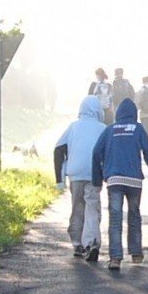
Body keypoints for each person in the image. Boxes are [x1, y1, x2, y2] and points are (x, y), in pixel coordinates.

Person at [91, 98, 148, 270]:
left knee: (115, 218)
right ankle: (136, 252)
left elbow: (96, 152)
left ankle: (115, 258)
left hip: (114, 180)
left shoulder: (110, 130)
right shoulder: (138, 129)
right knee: (134, 216)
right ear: (134, 113)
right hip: (134, 181)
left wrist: (97, 180)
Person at [52, 96, 109, 263]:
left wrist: (59, 179)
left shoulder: (73, 127)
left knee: (77, 206)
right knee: (92, 207)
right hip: (94, 173)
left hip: (75, 173)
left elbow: (58, 149)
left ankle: (77, 243)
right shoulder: (102, 128)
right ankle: (91, 242)